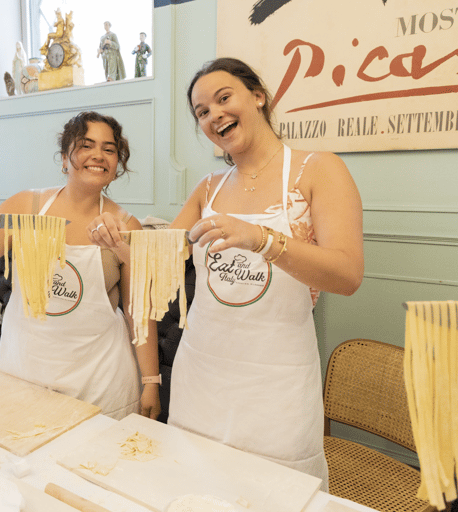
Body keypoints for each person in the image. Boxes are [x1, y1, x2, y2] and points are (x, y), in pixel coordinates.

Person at [91, 58, 363, 487]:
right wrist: (121, 245)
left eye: (223, 98)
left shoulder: (319, 169)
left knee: (275, 491)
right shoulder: (208, 188)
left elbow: (347, 275)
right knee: (194, 486)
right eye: (201, 111)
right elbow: (159, 264)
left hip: (277, 381)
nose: (213, 114)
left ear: (258, 96)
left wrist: (265, 239)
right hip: (201, 374)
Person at [0, 111, 161, 420]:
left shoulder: (128, 226)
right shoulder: (27, 207)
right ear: (64, 158)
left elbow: (139, 309)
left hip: (99, 377)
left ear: (117, 166)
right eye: (86, 145)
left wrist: (151, 381)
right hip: (24, 367)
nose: (98, 155)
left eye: (109, 149)